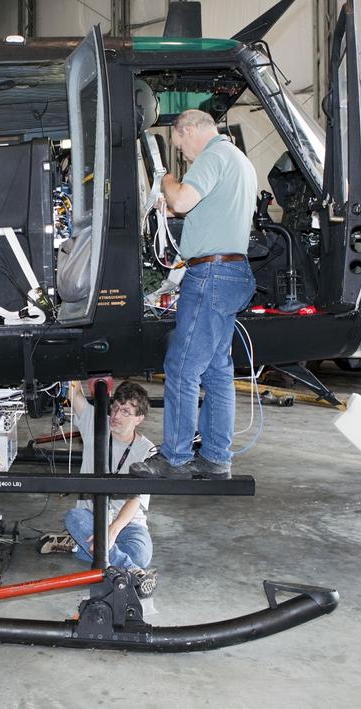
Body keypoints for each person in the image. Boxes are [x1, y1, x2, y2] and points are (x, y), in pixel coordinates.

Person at [132, 110, 256, 481]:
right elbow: (198, 209)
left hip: (212, 275)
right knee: (217, 370)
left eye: (180, 145)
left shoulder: (214, 155)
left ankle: (175, 456)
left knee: (182, 368)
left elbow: (182, 200)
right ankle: (216, 457)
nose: (183, 154)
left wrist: (164, 178)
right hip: (232, 272)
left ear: (187, 130)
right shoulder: (238, 160)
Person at [38, 380, 157, 590]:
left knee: (141, 554)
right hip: (90, 518)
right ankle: (130, 570)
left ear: (139, 419)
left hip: (128, 525)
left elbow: (135, 501)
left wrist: (112, 530)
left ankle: (78, 546)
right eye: (115, 407)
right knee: (73, 517)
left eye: (126, 412)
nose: (116, 416)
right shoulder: (95, 422)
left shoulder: (147, 451)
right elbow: (75, 395)